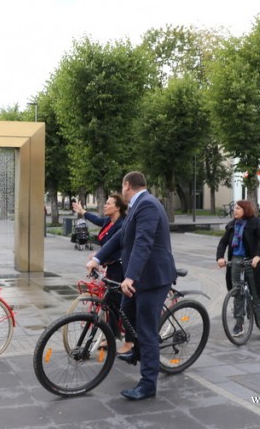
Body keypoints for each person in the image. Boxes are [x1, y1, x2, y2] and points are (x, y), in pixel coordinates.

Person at [85, 171, 176, 401]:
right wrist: (98, 258)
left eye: (121, 186)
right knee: (125, 310)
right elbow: (120, 237)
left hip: (152, 278)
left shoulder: (147, 205)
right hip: (140, 276)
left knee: (146, 329)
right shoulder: (137, 206)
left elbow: (143, 242)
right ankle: (137, 350)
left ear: (127, 185)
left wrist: (131, 277)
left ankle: (148, 384)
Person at [72, 194, 134, 354]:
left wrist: (99, 258)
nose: (105, 206)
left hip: (121, 268)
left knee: (123, 305)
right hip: (111, 268)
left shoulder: (122, 224)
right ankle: (112, 335)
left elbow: (119, 248)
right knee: (111, 304)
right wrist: (82, 211)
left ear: (118, 207)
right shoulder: (109, 221)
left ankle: (129, 341)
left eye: (108, 203)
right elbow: (97, 220)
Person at [216, 200, 260, 341]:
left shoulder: (255, 222)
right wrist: (220, 257)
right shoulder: (232, 225)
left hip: (252, 262)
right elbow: (223, 242)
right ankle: (239, 324)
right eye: (234, 208)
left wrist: (258, 256)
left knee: (258, 295)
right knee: (238, 294)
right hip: (236, 261)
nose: (235, 210)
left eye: (238, 208)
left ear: (246, 210)